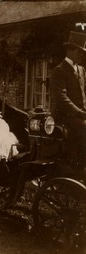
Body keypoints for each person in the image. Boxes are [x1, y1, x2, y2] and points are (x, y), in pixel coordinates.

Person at [50, 31, 86, 170]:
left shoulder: (81, 70)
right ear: (70, 50)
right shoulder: (59, 71)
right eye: (79, 51)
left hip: (79, 114)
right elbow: (61, 98)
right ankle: (80, 169)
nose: (82, 55)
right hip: (63, 116)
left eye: (83, 52)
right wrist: (80, 113)